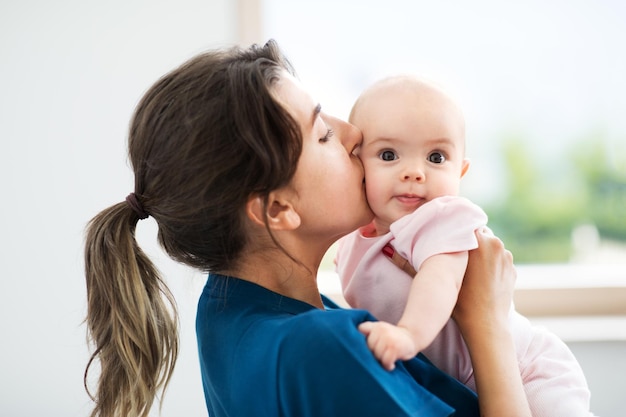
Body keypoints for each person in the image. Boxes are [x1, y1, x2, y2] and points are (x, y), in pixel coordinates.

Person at [83, 40, 532, 417]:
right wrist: (486, 321)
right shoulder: (322, 350)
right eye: (322, 134)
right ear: (278, 209)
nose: (354, 133)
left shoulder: (227, 309)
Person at [335, 75, 594, 416]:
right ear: (356, 162)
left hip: (527, 367)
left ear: (461, 171)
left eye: (437, 158)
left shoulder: (441, 217)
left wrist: (409, 336)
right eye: (388, 154)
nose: (414, 172)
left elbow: (440, 279)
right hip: (469, 381)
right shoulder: (352, 239)